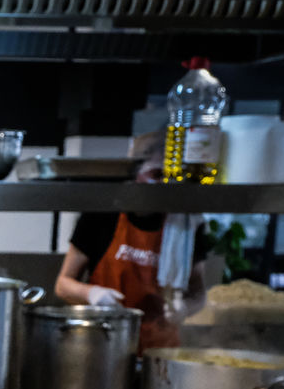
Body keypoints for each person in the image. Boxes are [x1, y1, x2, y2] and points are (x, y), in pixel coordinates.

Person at [54, 136, 208, 351]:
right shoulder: (102, 216)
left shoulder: (187, 224)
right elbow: (63, 285)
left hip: (160, 351)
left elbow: (199, 294)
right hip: (104, 343)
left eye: (172, 177)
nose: (165, 184)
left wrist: (184, 308)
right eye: (157, 175)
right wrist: (93, 294)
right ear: (136, 174)